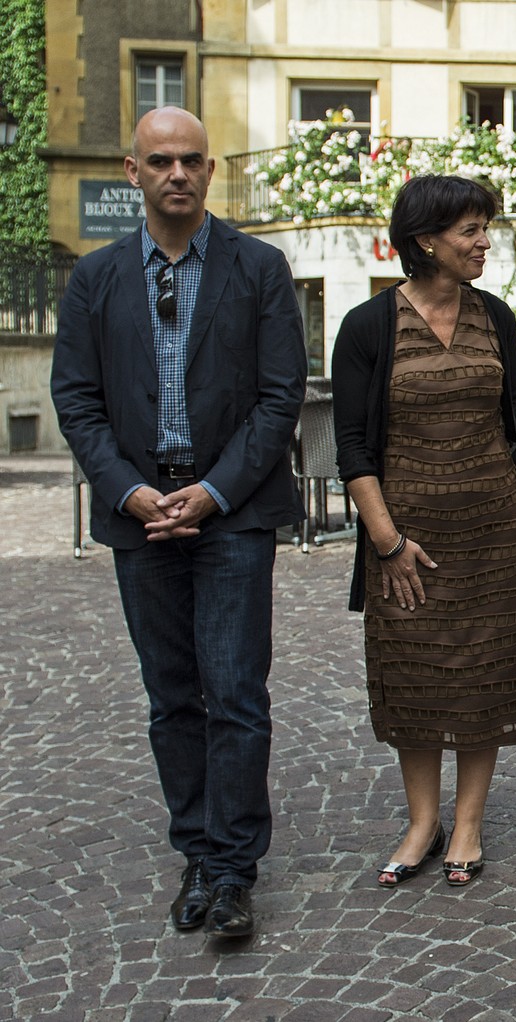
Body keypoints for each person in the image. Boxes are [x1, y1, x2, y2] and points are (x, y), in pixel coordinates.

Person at [51, 107, 307, 939]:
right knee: (171, 699)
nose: (178, 174)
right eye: (161, 161)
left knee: (234, 693)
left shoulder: (259, 267)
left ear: (210, 169)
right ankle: (196, 849)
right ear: (134, 172)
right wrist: (126, 491)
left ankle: (233, 869)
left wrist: (215, 491)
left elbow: (279, 398)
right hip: (139, 516)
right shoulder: (93, 279)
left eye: (192, 160)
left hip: (228, 515)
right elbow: (77, 399)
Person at [332, 175, 516, 889]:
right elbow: (353, 447)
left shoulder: (499, 318)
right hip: (403, 543)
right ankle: (422, 822)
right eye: (469, 230)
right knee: (414, 677)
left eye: (485, 226)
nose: (484, 241)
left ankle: (471, 823)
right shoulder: (368, 326)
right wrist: (385, 541)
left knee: (485, 672)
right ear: (425, 239)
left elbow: (507, 421)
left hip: (493, 536)